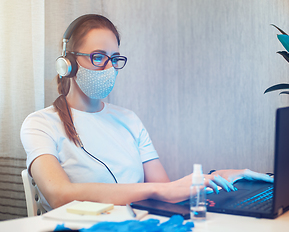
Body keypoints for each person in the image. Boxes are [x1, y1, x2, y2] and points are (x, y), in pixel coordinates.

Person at [20, 14, 273, 212]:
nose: (109, 67)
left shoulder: (128, 119)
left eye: (115, 58)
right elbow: (59, 195)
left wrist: (221, 177)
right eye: (98, 57)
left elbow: (165, 189)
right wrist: (155, 192)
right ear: (68, 64)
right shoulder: (40, 124)